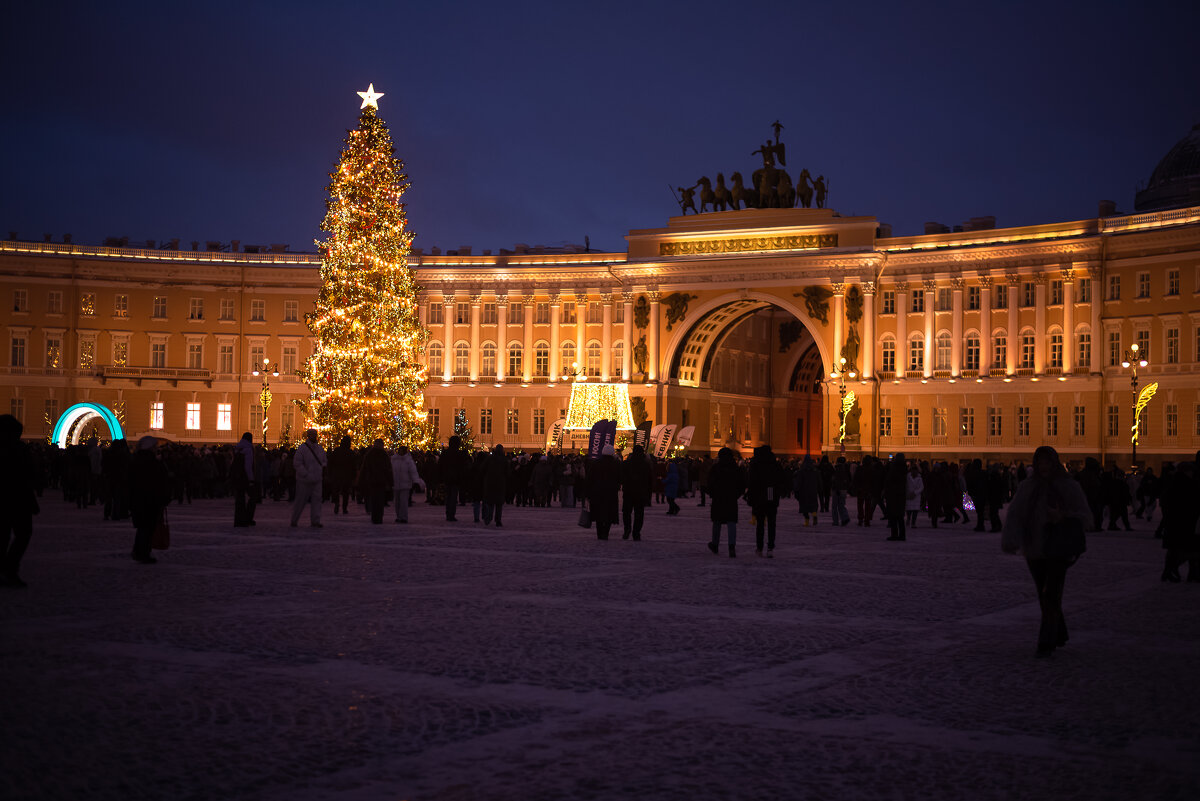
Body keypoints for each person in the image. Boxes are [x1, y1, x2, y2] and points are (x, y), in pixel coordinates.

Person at [1002, 446, 1093, 657]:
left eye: (1047, 462)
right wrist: (1011, 540)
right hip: (1034, 548)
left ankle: (1046, 643)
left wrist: (1063, 516)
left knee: (1051, 594)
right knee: (1043, 594)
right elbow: (1016, 514)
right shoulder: (1028, 487)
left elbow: (1085, 516)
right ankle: (1058, 632)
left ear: (1054, 463)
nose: (1043, 466)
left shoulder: (1068, 486)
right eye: (1040, 462)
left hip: (1058, 548)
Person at [0, 414, 39, 587]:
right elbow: (28, 475)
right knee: (22, 534)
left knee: (4, 536)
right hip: (18, 500)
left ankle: (7, 569)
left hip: (10, 500)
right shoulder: (20, 449)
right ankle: (10, 569)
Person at [128, 436, 170, 564]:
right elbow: (161, 482)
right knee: (148, 528)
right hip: (151, 500)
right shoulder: (153, 463)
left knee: (142, 528)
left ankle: (139, 551)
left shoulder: (135, 461)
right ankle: (143, 553)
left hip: (138, 499)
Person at [747, 445, 785, 557]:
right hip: (771, 496)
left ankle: (759, 548)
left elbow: (751, 482)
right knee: (772, 524)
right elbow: (781, 479)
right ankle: (770, 548)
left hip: (759, 497)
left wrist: (751, 497)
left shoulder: (755, 464)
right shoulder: (775, 464)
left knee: (760, 524)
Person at [707, 447, 744, 557]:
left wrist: (713, 494)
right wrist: (736, 495)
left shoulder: (716, 468)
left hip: (718, 499)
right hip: (731, 499)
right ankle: (731, 546)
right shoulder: (736, 468)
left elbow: (710, 483)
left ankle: (715, 544)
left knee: (717, 522)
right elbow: (741, 484)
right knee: (731, 523)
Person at [290, 429, 327, 528]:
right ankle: (294, 520)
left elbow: (324, 460)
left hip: (317, 479)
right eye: (312, 435)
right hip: (304, 480)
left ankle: (315, 521)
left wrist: (321, 468)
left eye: (315, 435)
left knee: (317, 501)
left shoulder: (320, 448)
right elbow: (297, 463)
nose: (314, 436)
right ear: (308, 436)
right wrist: (305, 474)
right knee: (300, 501)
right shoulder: (302, 448)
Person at [589, 445, 621, 540]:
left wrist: (588, 492)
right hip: (611, 492)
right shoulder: (616, 464)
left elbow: (590, 478)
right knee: (609, 514)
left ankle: (599, 533)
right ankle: (606, 532)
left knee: (599, 513)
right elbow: (620, 478)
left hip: (597, 492)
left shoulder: (596, 463)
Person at [621, 444, 652, 540]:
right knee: (639, 514)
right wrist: (648, 494)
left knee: (626, 512)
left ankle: (627, 528)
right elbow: (649, 481)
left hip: (628, 492)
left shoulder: (627, 463)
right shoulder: (646, 464)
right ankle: (636, 532)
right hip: (640, 493)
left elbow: (622, 477)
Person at [358, 439, 393, 524]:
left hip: (372, 480)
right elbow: (388, 469)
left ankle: (374, 517)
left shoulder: (369, 454)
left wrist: (361, 479)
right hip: (381, 480)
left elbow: (364, 468)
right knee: (380, 500)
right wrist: (391, 481)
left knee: (374, 499)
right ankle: (379, 517)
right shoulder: (384, 454)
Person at [390, 445, 425, 523]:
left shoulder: (408, 461)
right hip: (396, 484)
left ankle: (404, 517)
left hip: (405, 484)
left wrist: (416, 481)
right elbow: (390, 471)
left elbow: (413, 472)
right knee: (397, 502)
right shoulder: (393, 459)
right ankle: (398, 516)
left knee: (403, 502)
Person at [439, 435, 470, 521]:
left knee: (449, 497)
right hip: (455, 478)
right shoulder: (458, 454)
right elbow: (462, 467)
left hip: (447, 477)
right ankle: (451, 514)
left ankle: (448, 513)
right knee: (452, 497)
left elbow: (440, 465)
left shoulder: (445, 453)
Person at [231, 432, 258, 527]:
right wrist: (251, 479)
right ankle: (247, 518)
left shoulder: (238, 448)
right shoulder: (248, 449)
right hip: (246, 477)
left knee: (239, 499)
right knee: (253, 497)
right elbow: (248, 465)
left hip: (237, 477)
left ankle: (239, 520)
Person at [481, 444, 510, 527]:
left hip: (490, 482)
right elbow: (507, 472)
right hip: (500, 483)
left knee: (490, 502)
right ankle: (498, 520)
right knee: (498, 504)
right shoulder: (504, 460)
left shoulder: (489, 459)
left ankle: (488, 518)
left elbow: (482, 469)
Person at [882, 453, 908, 542]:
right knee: (899, 517)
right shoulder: (904, 468)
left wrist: (887, 491)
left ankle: (894, 534)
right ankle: (901, 534)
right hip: (900, 495)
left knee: (893, 516)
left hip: (893, 495)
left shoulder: (894, 468)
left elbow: (889, 481)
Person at [328, 436, 356, 514]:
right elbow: (353, 465)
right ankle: (344, 507)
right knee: (345, 492)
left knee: (336, 490)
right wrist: (353, 475)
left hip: (337, 474)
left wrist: (330, 472)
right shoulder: (350, 452)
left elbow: (330, 462)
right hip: (347, 475)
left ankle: (337, 502)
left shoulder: (337, 451)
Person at [793, 456, 820, 526]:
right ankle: (814, 514)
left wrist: (796, 489)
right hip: (813, 490)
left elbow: (799, 481)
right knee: (813, 505)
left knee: (804, 507)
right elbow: (819, 481)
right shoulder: (815, 470)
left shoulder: (801, 471)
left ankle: (806, 522)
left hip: (804, 491)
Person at [903, 461, 924, 531]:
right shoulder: (907, 477)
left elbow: (921, 487)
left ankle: (913, 522)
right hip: (909, 495)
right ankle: (908, 518)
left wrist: (915, 493)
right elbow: (905, 486)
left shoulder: (919, 478)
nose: (914, 472)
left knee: (915, 510)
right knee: (909, 510)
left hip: (916, 496)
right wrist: (907, 493)